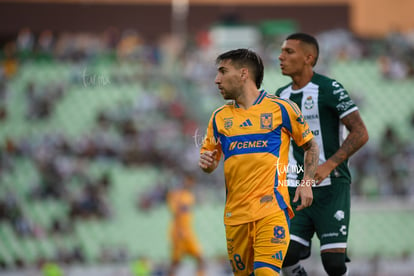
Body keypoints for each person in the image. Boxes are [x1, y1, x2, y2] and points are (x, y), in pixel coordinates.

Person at [199, 48, 319, 276]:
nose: (217, 80)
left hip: (271, 209)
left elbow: (311, 145)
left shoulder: (281, 109)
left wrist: (306, 183)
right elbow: (210, 161)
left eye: (223, 72)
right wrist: (207, 164)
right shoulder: (219, 118)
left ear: (244, 74)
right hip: (236, 216)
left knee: (266, 273)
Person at [275, 33, 369, 276]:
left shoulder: (329, 88)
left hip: (331, 186)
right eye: (282, 52)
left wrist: (329, 164)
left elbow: (360, 132)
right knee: (284, 254)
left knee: (334, 265)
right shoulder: (280, 96)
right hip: (296, 186)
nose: (281, 56)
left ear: (309, 58)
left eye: (288, 52)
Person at [166, 174, 205, 276]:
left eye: (192, 181)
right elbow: (176, 213)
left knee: (200, 257)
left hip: (188, 231)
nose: (191, 183)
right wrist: (179, 230)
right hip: (178, 232)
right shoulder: (176, 195)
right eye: (189, 181)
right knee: (176, 261)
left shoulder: (189, 196)